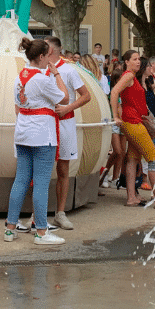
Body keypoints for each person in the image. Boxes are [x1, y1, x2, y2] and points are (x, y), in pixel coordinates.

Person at [4, 38, 68, 245]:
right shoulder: (42, 79)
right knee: (41, 182)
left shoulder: (19, 77)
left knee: (21, 180)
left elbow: (17, 106)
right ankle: (41, 231)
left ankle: (10, 228)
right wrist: (56, 73)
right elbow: (64, 98)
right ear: (42, 57)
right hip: (42, 133)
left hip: (23, 131)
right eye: (48, 56)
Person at [45, 36, 91, 230]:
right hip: (45, 123)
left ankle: (60, 213)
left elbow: (86, 95)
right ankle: (36, 214)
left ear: (51, 51)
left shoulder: (69, 70)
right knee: (42, 168)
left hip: (65, 122)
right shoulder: (38, 68)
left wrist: (67, 108)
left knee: (63, 169)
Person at [111, 50, 155, 207]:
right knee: (153, 158)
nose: (138, 62)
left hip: (133, 121)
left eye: (138, 59)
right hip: (133, 122)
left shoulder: (131, 76)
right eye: (134, 59)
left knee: (133, 159)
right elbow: (114, 92)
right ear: (126, 62)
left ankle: (131, 197)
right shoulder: (128, 76)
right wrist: (115, 115)